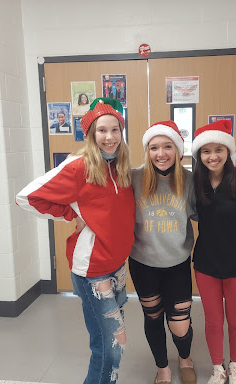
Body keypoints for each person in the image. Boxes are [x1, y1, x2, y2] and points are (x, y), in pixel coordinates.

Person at [16, 98, 135, 384]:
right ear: (92, 134)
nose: (110, 137)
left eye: (115, 130)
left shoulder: (120, 166)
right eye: (102, 130)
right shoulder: (79, 167)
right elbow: (27, 197)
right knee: (108, 348)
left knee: (115, 342)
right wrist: (70, 212)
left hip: (117, 266)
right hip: (94, 271)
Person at [191, 120, 236, 384]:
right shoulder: (195, 184)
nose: (213, 156)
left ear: (228, 151)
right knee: (212, 321)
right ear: (199, 155)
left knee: (235, 320)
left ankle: (234, 366)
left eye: (219, 149)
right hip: (206, 264)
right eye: (206, 151)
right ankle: (217, 368)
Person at [129, 121, 197, 384]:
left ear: (177, 149)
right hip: (143, 262)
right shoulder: (134, 178)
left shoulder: (189, 180)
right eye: (154, 147)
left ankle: (185, 356)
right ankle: (162, 368)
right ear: (148, 151)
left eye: (167, 146)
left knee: (180, 324)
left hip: (177, 262)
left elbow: (208, 214)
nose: (161, 153)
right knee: (153, 316)